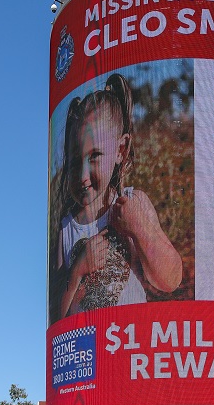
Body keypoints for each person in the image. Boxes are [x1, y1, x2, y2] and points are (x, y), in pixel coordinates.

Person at [54, 73, 182, 318]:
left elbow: (170, 279)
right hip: (89, 339)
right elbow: (58, 315)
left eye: (94, 156)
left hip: (130, 337)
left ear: (120, 150)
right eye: (75, 162)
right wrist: (77, 270)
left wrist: (138, 227)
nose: (82, 176)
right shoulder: (66, 228)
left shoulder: (135, 202)